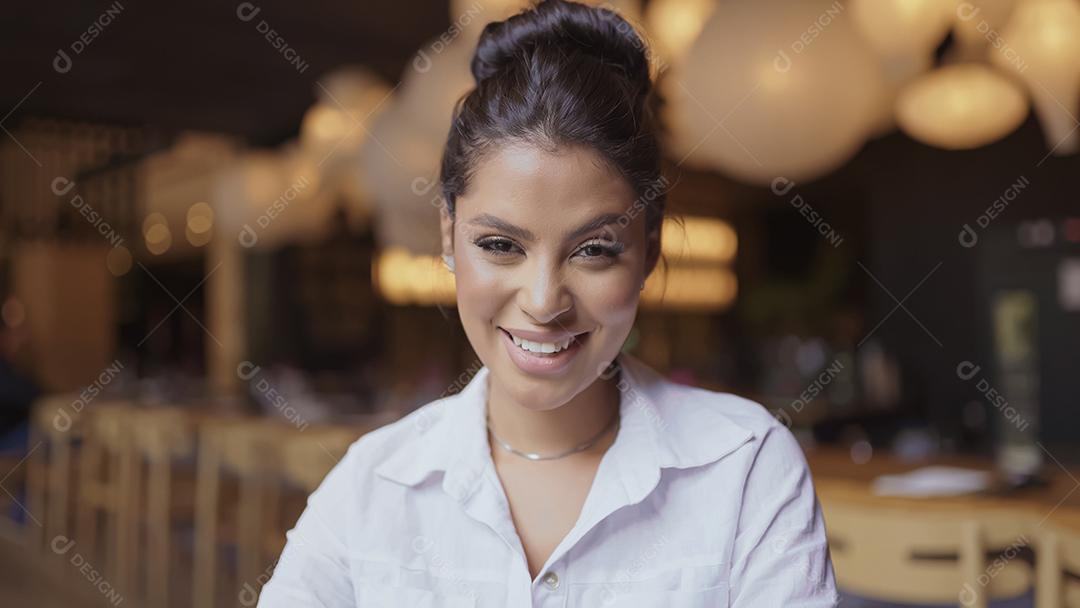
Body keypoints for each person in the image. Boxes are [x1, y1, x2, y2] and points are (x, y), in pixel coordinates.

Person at [258, 1, 838, 605]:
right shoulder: (371, 486)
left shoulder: (742, 468)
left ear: (650, 249)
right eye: (500, 245)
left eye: (593, 250)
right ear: (447, 236)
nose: (543, 302)